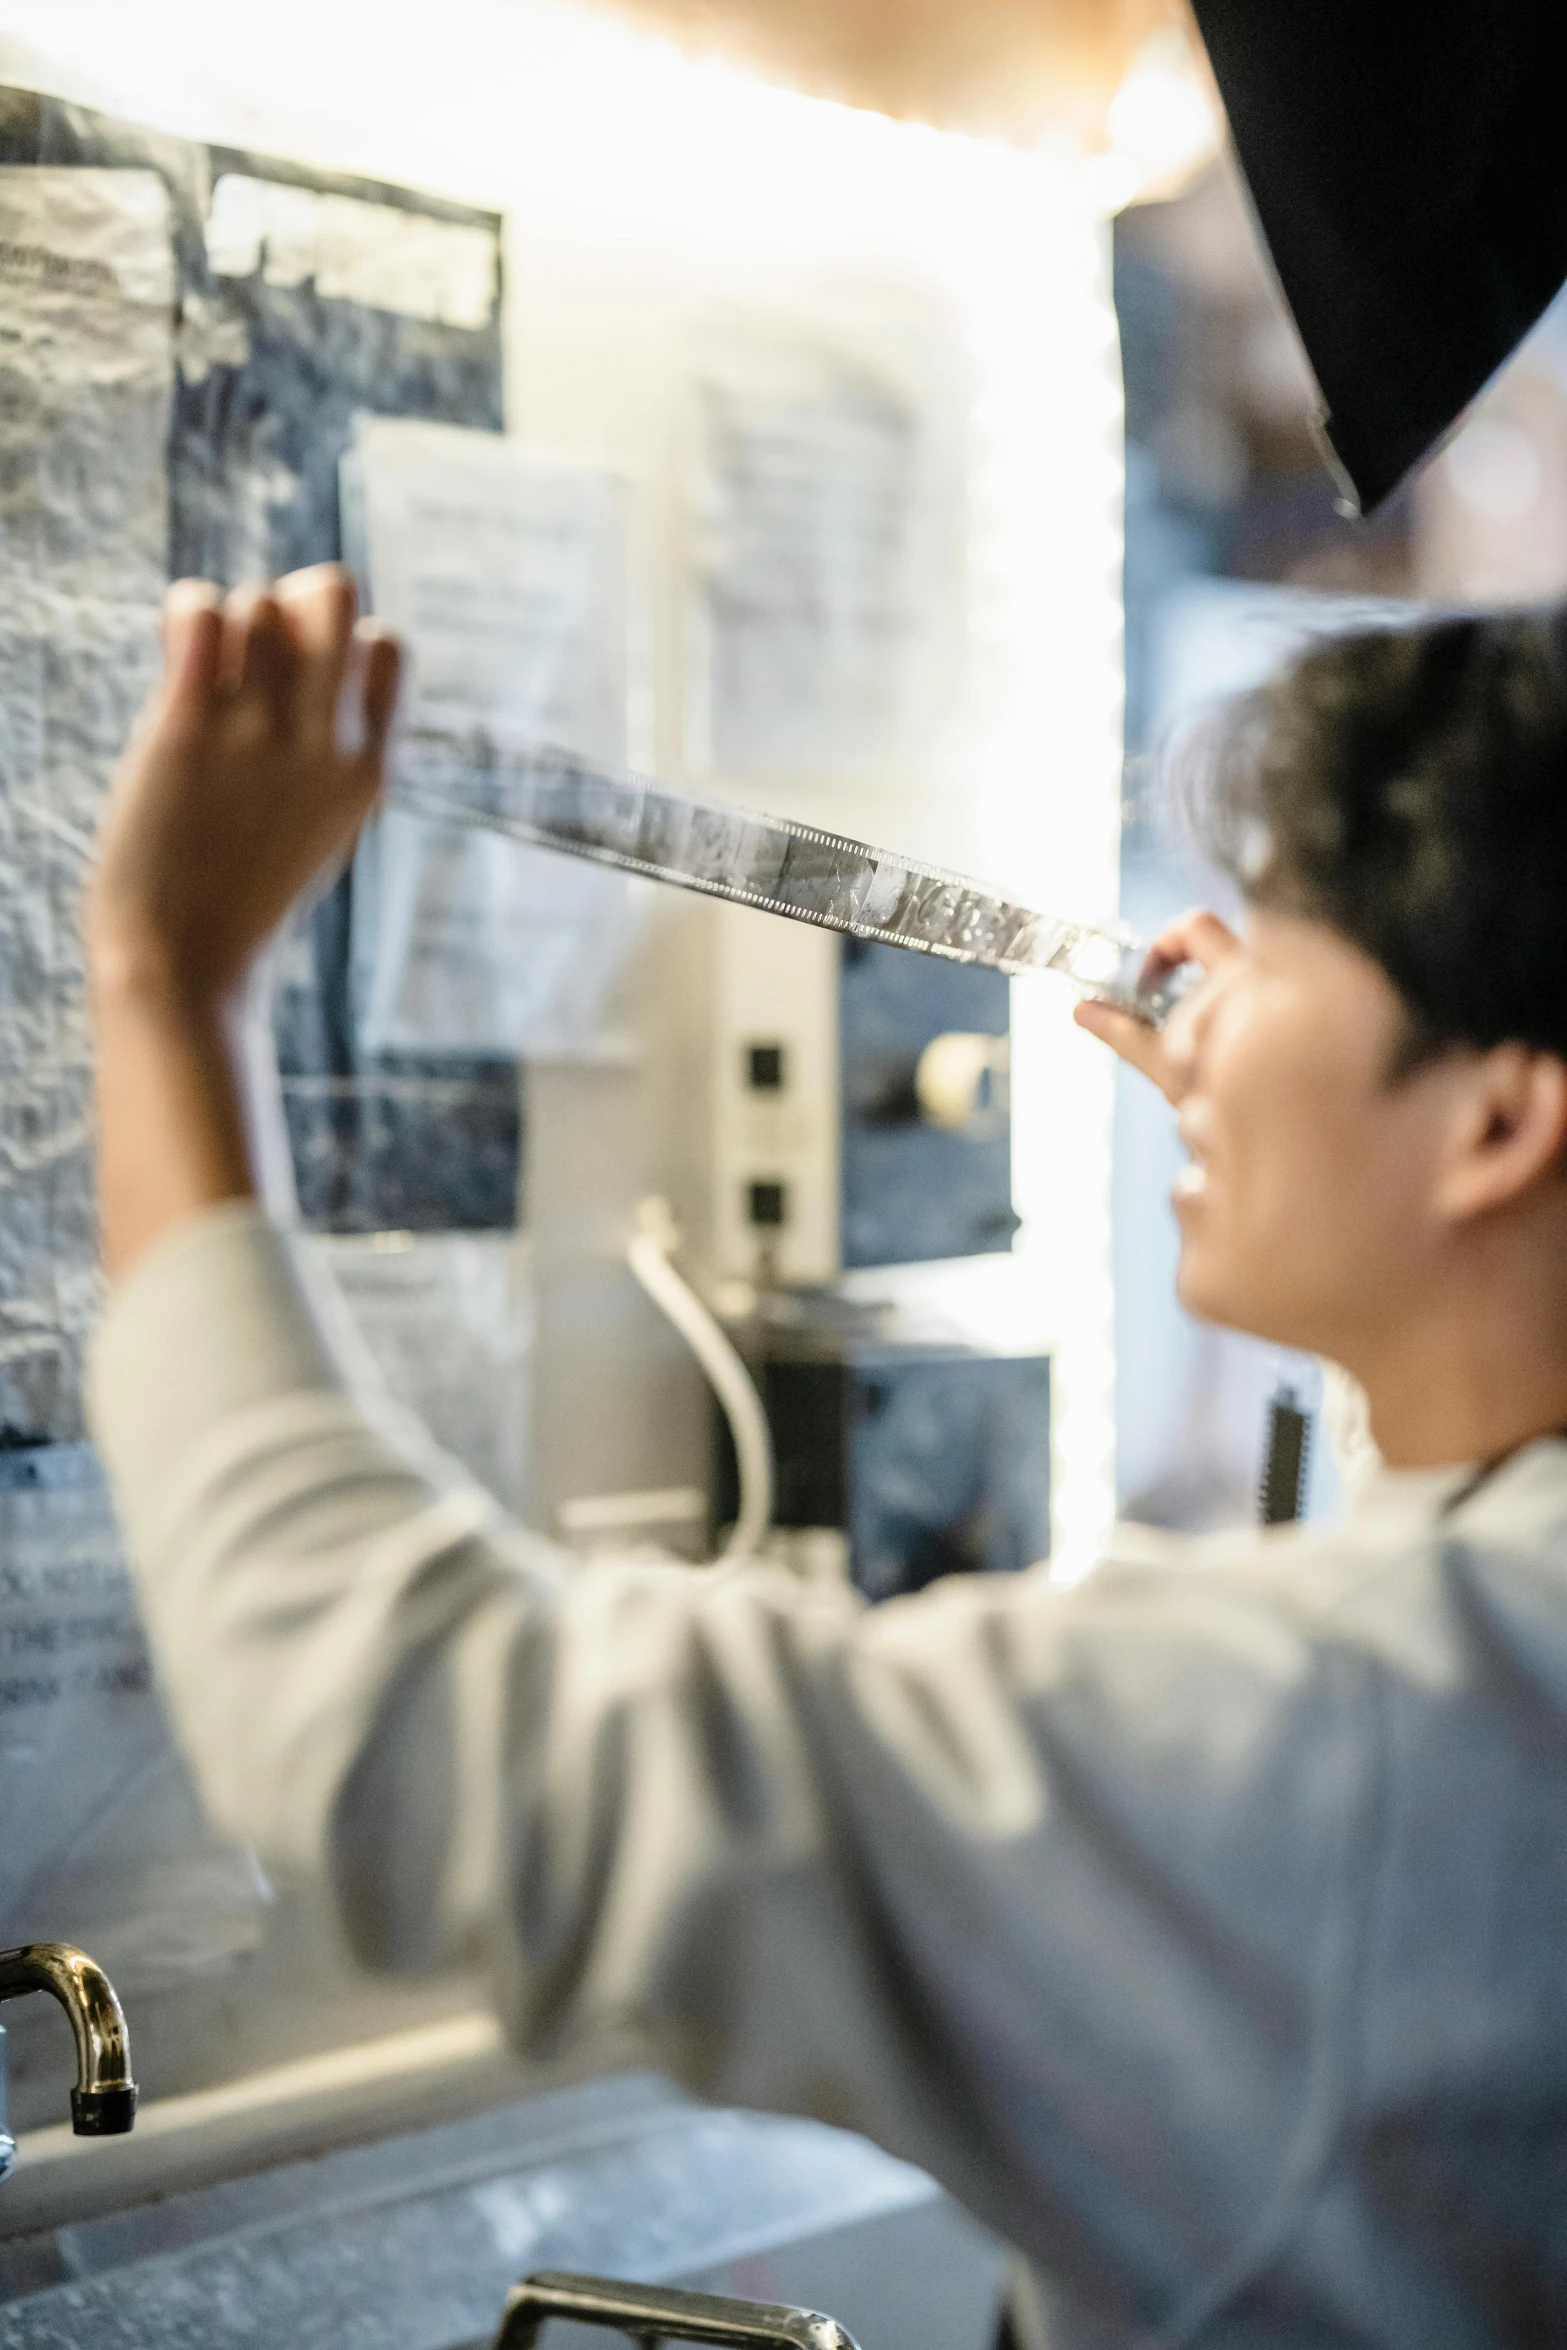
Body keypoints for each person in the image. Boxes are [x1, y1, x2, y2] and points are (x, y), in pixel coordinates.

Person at [86, 573, 1567, 2349]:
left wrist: (171, 988)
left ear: (1492, 1121)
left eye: (1277, 938)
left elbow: (390, 1710)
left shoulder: (1335, 1743)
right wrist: (1343, 1170)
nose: (1193, 989)